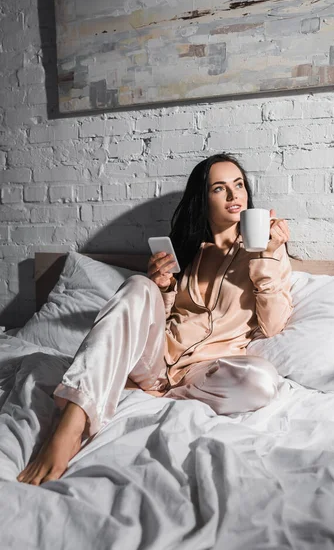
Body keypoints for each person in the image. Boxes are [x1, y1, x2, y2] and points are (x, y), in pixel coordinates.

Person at [17, 152, 293, 486]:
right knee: (137, 284)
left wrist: (264, 256)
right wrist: (162, 288)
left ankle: (144, 390)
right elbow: (160, 318)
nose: (235, 196)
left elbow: (273, 325)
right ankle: (72, 423)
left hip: (206, 373)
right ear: (203, 200)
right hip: (156, 360)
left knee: (262, 383)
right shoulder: (188, 250)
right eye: (220, 188)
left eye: (239, 185)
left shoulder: (268, 251)